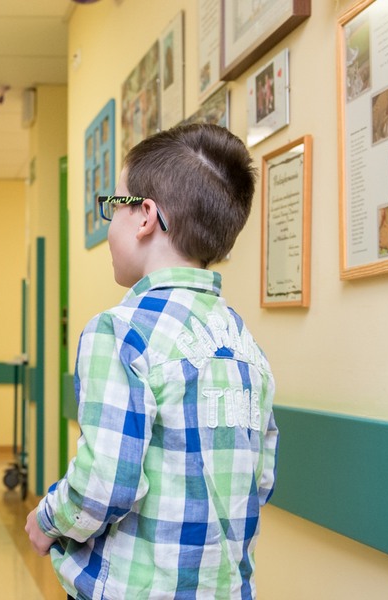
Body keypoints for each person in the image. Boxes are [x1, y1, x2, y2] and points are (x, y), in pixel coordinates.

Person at [25, 124, 278, 599]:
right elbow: (260, 481)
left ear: (144, 216)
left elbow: (105, 482)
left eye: (113, 205)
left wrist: (47, 519)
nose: (108, 225)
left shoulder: (121, 331)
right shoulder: (245, 345)